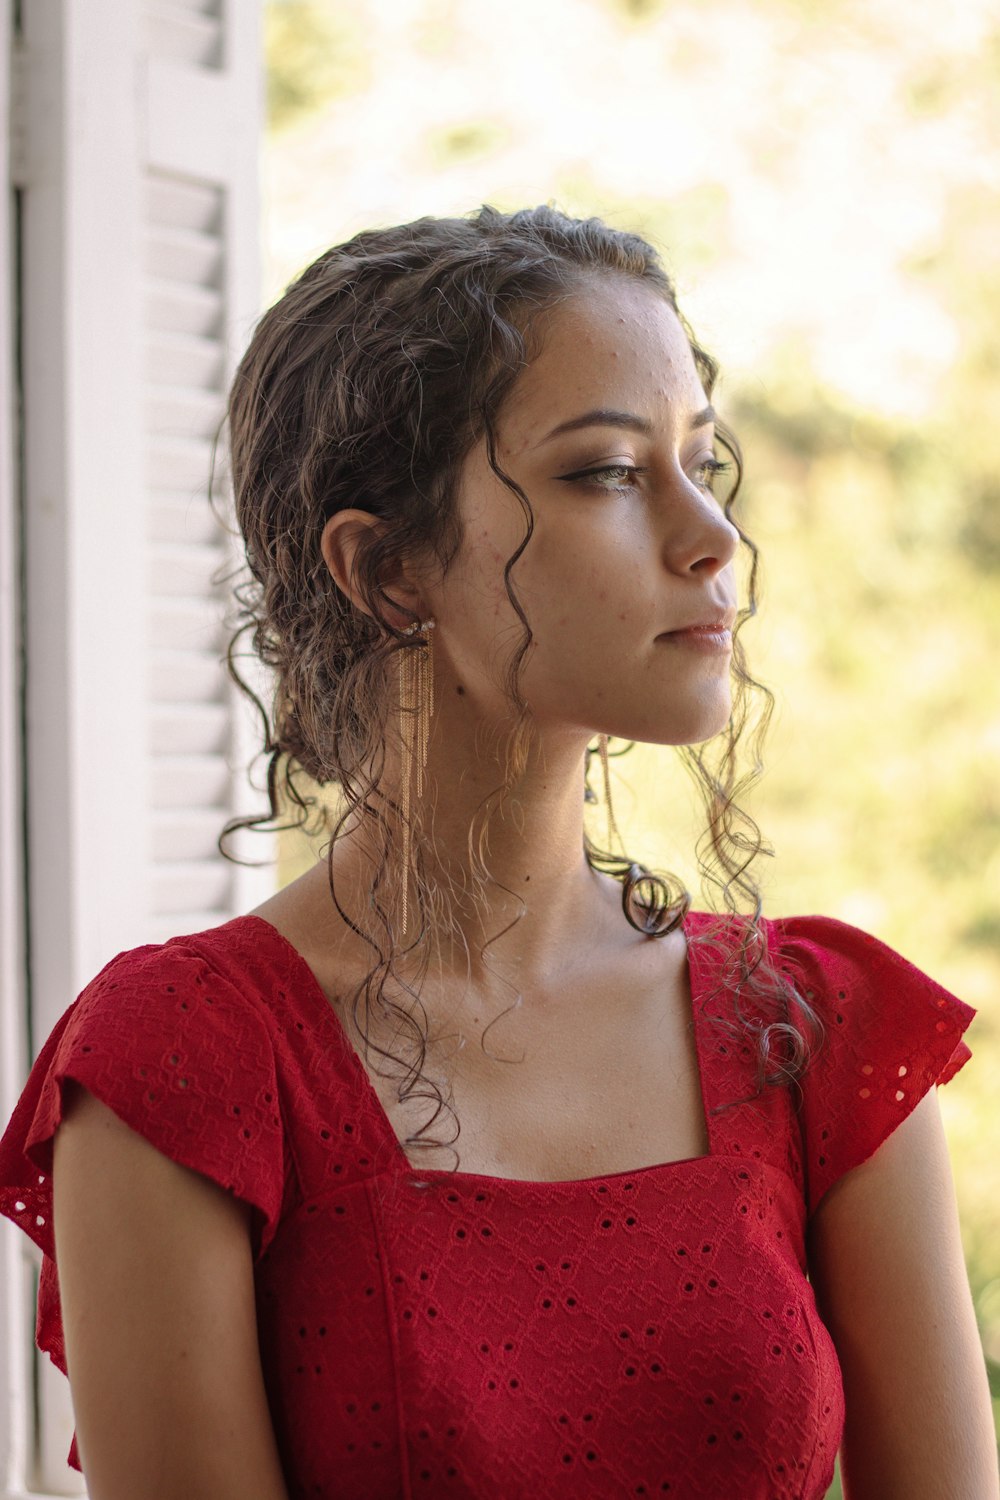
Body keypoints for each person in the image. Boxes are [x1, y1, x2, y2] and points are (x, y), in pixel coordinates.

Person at [0, 205, 996, 1500]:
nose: (716, 540)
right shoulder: (186, 1063)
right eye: (607, 473)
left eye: (702, 461)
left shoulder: (819, 1032)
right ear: (385, 570)